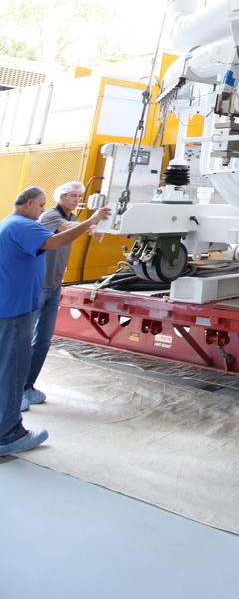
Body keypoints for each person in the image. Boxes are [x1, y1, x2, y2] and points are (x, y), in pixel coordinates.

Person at [0, 186, 110, 456]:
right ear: (27, 204)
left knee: (7, 368)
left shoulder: (10, 224)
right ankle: (8, 434)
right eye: (40, 204)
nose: (41, 210)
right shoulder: (24, 225)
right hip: (15, 311)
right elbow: (55, 241)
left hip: (10, 307)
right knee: (13, 369)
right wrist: (92, 220)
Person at [23, 180, 85, 410]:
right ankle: (15, 391)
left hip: (55, 286)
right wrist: (95, 221)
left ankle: (27, 386)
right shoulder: (51, 216)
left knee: (43, 340)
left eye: (80, 196)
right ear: (61, 197)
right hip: (39, 287)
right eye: (73, 196)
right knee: (25, 340)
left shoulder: (72, 219)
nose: (77, 200)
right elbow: (66, 230)